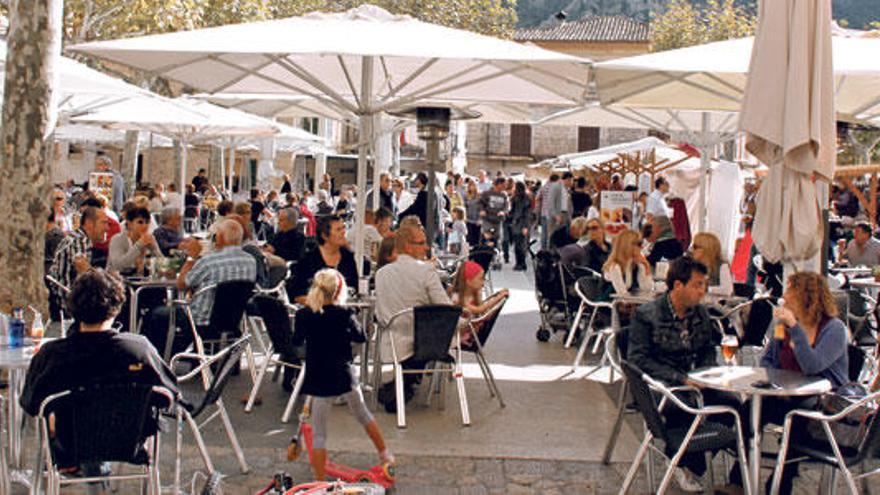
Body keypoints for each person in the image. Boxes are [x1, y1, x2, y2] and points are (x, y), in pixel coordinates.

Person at [21, 269, 179, 481]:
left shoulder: (54, 354)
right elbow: (169, 394)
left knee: (57, 414)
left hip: (70, 445)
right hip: (129, 440)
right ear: (117, 307)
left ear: (73, 307)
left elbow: (31, 404)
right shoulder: (139, 349)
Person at [293, 269, 393, 480]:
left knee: (319, 433)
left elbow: (296, 342)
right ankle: (385, 455)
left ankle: (319, 482)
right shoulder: (345, 314)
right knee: (363, 415)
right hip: (343, 373)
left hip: (317, 374)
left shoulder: (304, 314)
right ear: (339, 291)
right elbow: (361, 337)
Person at [759, 272, 848, 494]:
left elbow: (812, 365)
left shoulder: (834, 329)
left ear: (806, 296)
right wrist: (777, 385)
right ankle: (738, 480)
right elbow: (768, 359)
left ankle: (780, 486)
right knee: (750, 409)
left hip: (824, 405)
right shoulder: (783, 326)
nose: (785, 296)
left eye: (790, 290)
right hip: (788, 395)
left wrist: (793, 325)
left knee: (796, 419)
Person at [144, 220, 256, 353]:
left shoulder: (209, 261)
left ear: (219, 237)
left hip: (200, 320)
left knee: (159, 313)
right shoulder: (251, 261)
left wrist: (191, 257)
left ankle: (161, 357)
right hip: (232, 321)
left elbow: (182, 284)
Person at [375, 225, 451, 412]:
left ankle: (402, 384)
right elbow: (446, 310)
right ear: (408, 246)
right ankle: (407, 381)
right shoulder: (426, 271)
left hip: (390, 341)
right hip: (423, 343)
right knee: (446, 330)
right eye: (421, 243)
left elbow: (379, 313)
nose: (426, 247)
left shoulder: (381, 274)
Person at [48, 206, 109, 312]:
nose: (107, 228)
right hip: (70, 308)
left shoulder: (78, 239)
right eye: (103, 223)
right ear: (89, 223)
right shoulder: (80, 242)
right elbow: (86, 276)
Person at [290, 215, 359, 304]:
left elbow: (355, 287)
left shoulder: (348, 257)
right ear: (324, 236)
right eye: (338, 230)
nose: (343, 232)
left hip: (344, 310)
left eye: (343, 228)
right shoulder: (308, 260)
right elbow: (297, 295)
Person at [449, 261, 508, 345]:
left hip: (467, 332)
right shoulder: (457, 298)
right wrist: (497, 298)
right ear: (469, 281)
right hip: (456, 333)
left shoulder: (472, 294)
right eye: (481, 279)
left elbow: (482, 310)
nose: (483, 282)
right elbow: (479, 310)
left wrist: (480, 294)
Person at [107, 207, 161, 275]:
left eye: (147, 222)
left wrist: (154, 249)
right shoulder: (117, 239)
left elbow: (163, 264)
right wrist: (139, 245)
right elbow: (118, 265)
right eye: (140, 222)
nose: (145, 226)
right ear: (130, 224)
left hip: (142, 282)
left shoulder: (150, 239)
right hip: (117, 281)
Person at [603, 229, 652, 296]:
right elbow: (621, 293)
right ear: (628, 246)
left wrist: (646, 266)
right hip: (611, 303)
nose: (642, 247)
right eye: (639, 244)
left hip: (629, 301)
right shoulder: (615, 266)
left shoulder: (634, 264)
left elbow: (647, 289)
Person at [691, 232, 733, 296]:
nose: (692, 250)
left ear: (706, 249)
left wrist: (706, 289)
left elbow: (728, 290)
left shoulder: (722, 266)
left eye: (695, 247)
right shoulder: (693, 265)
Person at [479, 176, 509, 247]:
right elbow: (480, 203)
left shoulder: (504, 195)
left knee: (497, 241)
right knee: (487, 239)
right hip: (488, 219)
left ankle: (496, 256)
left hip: (498, 221)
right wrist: (482, 210)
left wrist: (503, 212)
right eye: (504, 184)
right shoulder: (487, 193)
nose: (505, 186)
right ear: (498, 184)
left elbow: (507, 206)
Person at [508, 181, 531, 271]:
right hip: (521, 223)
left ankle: (519, 263)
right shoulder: (526, 198)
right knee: (522, 245)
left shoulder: (518, 199)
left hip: (519, 224)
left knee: (519, 245)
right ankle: (522, 263)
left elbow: (524, 213)